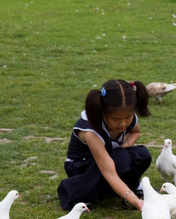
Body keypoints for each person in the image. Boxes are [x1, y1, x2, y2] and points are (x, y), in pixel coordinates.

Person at [57, 79, 152, 211]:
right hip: (82, 166)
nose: (123, 124)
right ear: (102, 111)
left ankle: (125, 186)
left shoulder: (128, 116)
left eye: (128, 117)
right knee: (120, 159)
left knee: (141, 155)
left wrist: (123, 146)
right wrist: (135, 202)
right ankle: (73, 190)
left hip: (109, 159)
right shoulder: (91, 132)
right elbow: (110, 173)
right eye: (116, 119)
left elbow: (136, 132)